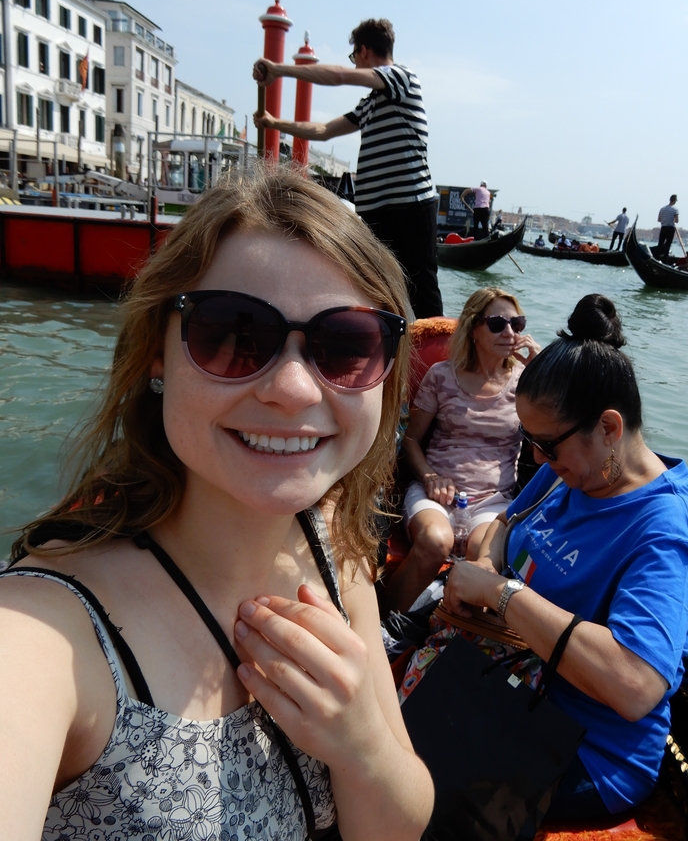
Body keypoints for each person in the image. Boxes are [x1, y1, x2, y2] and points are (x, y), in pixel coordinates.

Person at [0, 168, 434, 839]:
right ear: (156, 355)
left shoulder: (338, 560)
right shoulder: (45, 634)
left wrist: (363, 747)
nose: (292, 388)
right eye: (233, 333)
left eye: (345, 346)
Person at [444, 294, 688, 823]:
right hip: (515, 688)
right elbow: (502, 525)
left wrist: (501, 594)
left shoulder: (664, 531)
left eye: (547, 443)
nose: (537, 458)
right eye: (530, 441)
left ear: (609, 428)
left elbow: (635, 685)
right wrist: (488, 565)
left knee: (422, 785)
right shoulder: (567, 473)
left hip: (588, 749)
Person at [253, 18, 443, 320]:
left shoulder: (401, 78)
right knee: (378, 287)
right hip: (375, 210)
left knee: (421, 289)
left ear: (364, 51)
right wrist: (274, 124)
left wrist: (281, 70)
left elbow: (339, 76)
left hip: (409, 205)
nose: (353, 64)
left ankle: (433, 358)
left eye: (354, 56)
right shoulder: (369, 103)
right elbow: (324, 129)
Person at [384, 287, 540, 614]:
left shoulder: (527, 383)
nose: (510, 332)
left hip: (493, 500)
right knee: (434, 541)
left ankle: (447, 636)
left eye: (517, 323)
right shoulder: (442, 376)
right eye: (498, 323)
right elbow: (410, 440)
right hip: (436, 492)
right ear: (474, 329)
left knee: (483, 559)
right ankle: (386, 622)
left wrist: (541, 373)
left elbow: (551, 435)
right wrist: (429, 476)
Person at [657, 194, 679, 259]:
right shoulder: (675, 209)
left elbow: (659, 219)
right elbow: (677, 220)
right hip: (670, 229)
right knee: (668, 245)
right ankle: (665, 260)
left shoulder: (662, 209)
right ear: (674, 200)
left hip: (663, 228)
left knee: (660, 244)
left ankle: (656, 257)